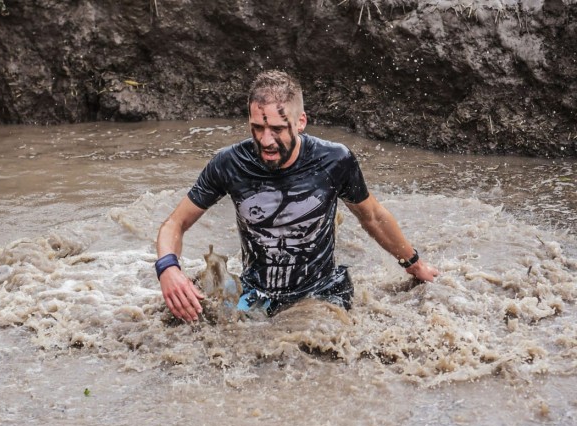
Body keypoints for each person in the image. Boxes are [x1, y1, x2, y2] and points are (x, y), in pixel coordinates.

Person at [156, 70, 439, 322]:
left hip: (322, 293)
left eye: (277, 129)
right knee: (180, 320)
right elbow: (175, 224)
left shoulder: (334, 160)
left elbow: (373, 216)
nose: (266, 140)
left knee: (315, 343)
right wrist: (168, 269)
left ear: (300, 121)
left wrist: (413, 264)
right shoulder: (229, 164)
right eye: (258, 128)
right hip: (257, 292)